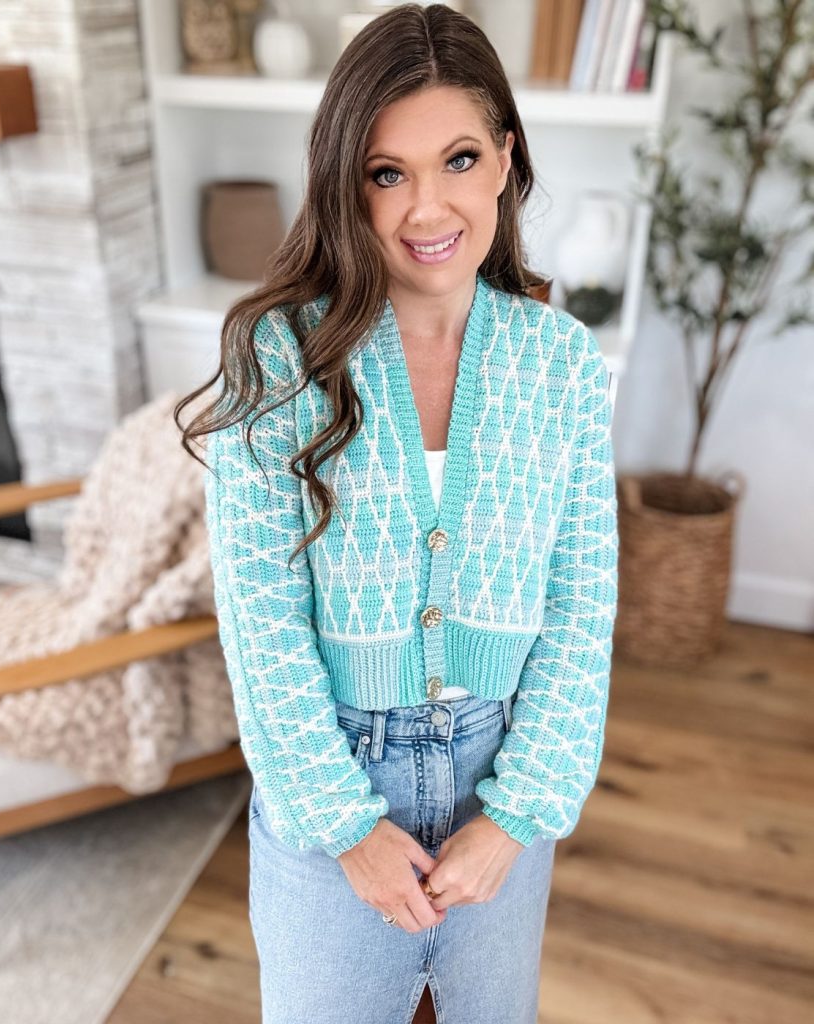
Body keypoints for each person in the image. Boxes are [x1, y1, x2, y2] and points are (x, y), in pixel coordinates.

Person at [177, 4, 619, 1022]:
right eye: (387, 172)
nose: (428, 207)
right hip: (325, 783)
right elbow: (259, 619)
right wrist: (344, 824)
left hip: (497, 775)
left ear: (505, 159)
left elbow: (578, 606)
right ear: (347, 184)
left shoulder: (557, 365)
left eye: (458, 158)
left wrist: (515, 814)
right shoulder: (278, 360)